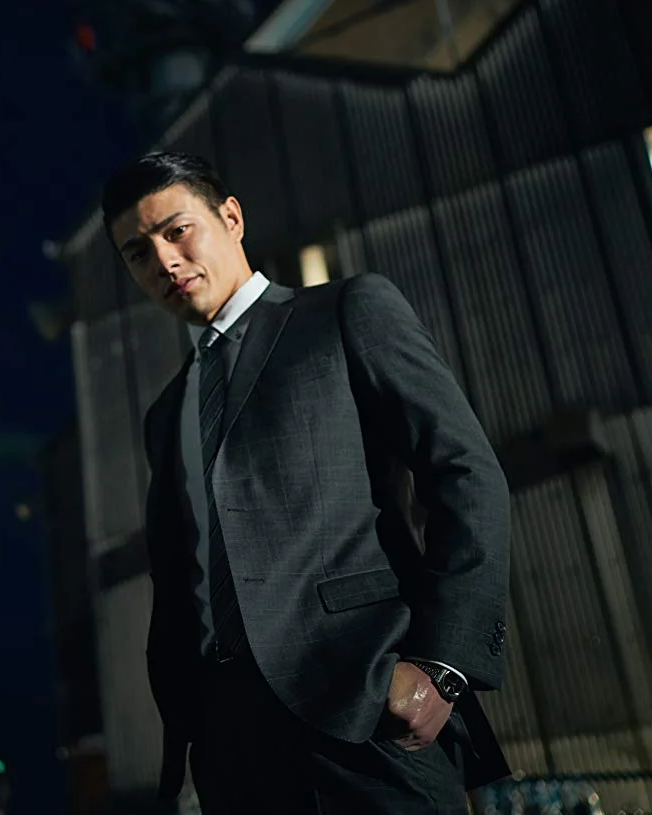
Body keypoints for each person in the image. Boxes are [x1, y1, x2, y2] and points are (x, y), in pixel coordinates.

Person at [101, 151, 511, 814]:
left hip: (363, 705)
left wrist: (444, 665)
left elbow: (464, 471)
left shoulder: (345, 311)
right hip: (229, 742)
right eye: (138, 253)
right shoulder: (165, 412)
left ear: (231, 218)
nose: (165, 262)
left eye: (177, 231)